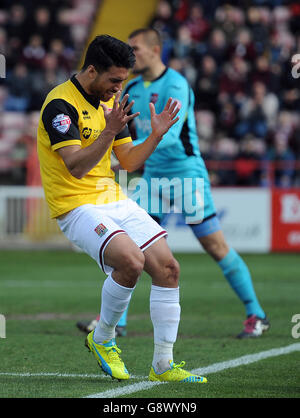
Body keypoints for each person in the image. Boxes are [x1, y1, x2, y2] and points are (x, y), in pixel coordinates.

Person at [77, 29, 270, 339]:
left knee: (215, 246)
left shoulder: (177, 84)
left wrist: (116, 160)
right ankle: (117, 321)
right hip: (152, 177)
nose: (132, 54)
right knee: (135, 246)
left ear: (155, 50)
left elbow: (166, 136)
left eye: (136, 48)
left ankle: (256, 313)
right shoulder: (134, 86)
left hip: (185, 175)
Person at [37, 34, 207, 384]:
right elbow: (77, 167)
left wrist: (155, 136)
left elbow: (127, 161)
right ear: (92, 70)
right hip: (74, 204)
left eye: (123, 81)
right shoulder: (59, 105)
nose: (118, 88)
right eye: (114, 80)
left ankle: (163, 365)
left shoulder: (111, 103)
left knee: (168, 268)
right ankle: (102, 339)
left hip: (111, 198)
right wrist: (109, 130)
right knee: (131, 261)